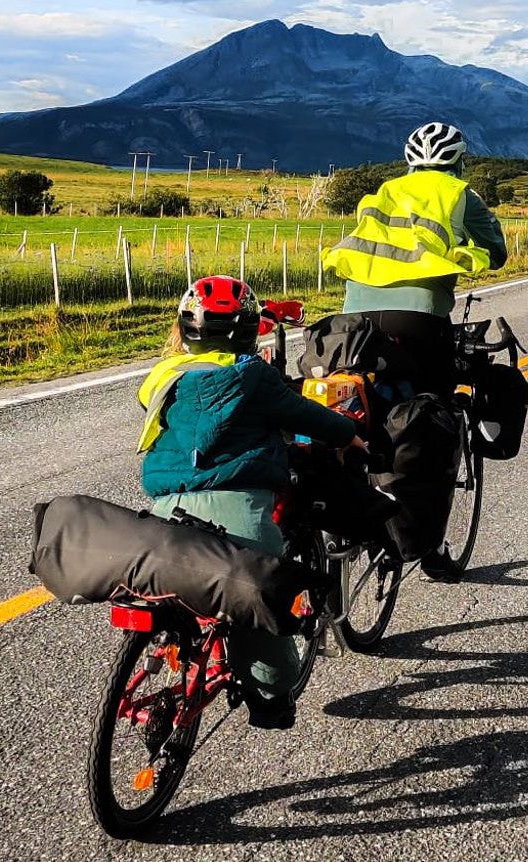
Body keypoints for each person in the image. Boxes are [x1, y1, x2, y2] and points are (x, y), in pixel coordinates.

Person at [136, 275, 363, 730]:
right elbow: (304, 415)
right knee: (260, 601)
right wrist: (348, 433)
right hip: (238, 509)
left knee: (184, 586)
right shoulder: (254, 375)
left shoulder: (162, 375)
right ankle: (269, 700)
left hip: (164, 508)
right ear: (247, 329)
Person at [322, 122, 508, 580]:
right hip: (419, 321)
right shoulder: (460, 194)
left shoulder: (384, 192)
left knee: (354, 403)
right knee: (434, 422)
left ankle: (338, 508)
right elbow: (497, 252)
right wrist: (465, 252)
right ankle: (430, 548)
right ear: (459, 161)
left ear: (408, 161)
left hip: (353, 319)